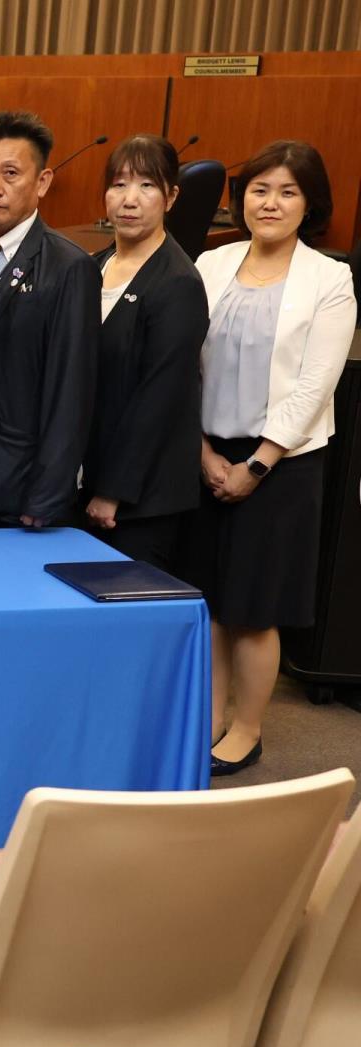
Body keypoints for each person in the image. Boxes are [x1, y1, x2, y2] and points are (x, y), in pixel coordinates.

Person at [189, 140, 357, 775]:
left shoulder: (329, 276)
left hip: (282, 463)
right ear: (242, 198)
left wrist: (257, 464)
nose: (271, 202)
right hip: (207, 450)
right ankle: (204, 721)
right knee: (208, 601)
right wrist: (201, 449)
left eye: (288, 192)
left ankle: (248, 728)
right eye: (260, 189)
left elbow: (317, 383)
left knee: (255, 609)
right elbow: (185, 365)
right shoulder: (211, 263)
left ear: (309, 204)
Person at [0, 111, 99, 529]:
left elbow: (72, 391)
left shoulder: (68, 267)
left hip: (14, 489)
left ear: (43, 182)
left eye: (11, 173)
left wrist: (48, 495)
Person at [79, 135, 209, 571]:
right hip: (82, 480)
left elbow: (160, 397)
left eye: (147, 186)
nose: (129, 200)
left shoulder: (178, 283)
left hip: (137, 499)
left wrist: (113, 490)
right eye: (118, 184)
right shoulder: (91, 266)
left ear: (171, 196)